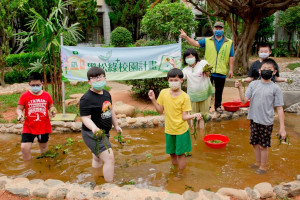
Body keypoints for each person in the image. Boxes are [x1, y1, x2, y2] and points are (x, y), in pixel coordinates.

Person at [148, 68, 202, 179]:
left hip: (181, 130)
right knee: (172, 153)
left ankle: (181, 174)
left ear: (181, 80)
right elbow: (160, 111)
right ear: (168, 80)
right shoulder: (163, 93)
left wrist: (194, 115)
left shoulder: (185, 97)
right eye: (171, 80)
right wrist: (153, 100)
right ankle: (174, 170)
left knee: (180, 154)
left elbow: (184, 116)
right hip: (169, 129)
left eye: (176, 80)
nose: (173, 82)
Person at [235, 58, 286, 174]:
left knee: (263, 146)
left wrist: (282, 128)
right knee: (254, 143)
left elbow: (279, 108)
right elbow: (243, 101)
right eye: (264, 69)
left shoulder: (275, 88)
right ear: (259, 71)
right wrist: (239, 88)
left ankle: (263, 166)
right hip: (254, 119)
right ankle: (257, 163)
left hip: (266, 121)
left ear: (274, 72)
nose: (266, 71)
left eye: (269, 69)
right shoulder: (253, 84)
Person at [180, 21, 234, 114]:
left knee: (219, 90)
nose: (218, 30)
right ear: (213, 29)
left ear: (223, 29)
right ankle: (207, 106)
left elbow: (231, 56)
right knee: (206, 88)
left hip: (221, 70)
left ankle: (217, 106)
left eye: (220, 28)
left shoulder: (229, 42)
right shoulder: (207, 40)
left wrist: (231, 70)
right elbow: (196, 43)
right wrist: (186, 37)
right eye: (216, 28)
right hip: (207, 70)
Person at [79, 67, 122, 183]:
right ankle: (109, 185)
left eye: (101, 77)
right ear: (89, 81)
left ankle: (97, 179)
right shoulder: (86, 99)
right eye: (95, 78)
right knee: (109, 157)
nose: (99, 80)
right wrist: (94, 128)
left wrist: (116, 125)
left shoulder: (106, 94)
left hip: (104, 132)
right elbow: (85, 118)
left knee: (97, 157)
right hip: (92, 133)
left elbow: (111, 110)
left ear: (105, 78)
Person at [169, 48, 214, 128]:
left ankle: (201, 135)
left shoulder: (203, 63)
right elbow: (179, 76)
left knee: (203, 116)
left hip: (205, 94)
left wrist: (207, 70)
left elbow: (208, 74)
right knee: (193, 116)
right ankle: (194, 136)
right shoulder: (186, 70)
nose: (189, 59)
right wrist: (174, 65)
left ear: (195, 57)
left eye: (191, 57)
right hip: (192, 96)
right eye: (187, 57)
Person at [16, 72, 56, 161]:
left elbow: (51, 106)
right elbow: (19, 109)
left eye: (37, 85)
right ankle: (28, 168)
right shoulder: (25, 95)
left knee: (44, 147)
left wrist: (52, 111)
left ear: (42, 84)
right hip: (28, 126)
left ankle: (45, 165)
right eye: (33, 85)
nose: (35, 87)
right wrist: (20, 115)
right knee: (24, 148)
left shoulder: (46, 95)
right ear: (29, 84)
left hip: (43, 127)